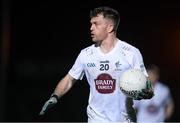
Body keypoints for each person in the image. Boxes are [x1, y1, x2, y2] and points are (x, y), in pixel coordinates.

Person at [39, 6, 154, 122]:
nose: (91, 28)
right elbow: (69, 79)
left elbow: (146, 83)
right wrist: (55, 96)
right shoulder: (86, 54)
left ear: (110, 27)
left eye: (96, 24)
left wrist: (148, 93)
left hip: (125, 120)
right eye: (91, 24)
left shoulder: (131, 52)